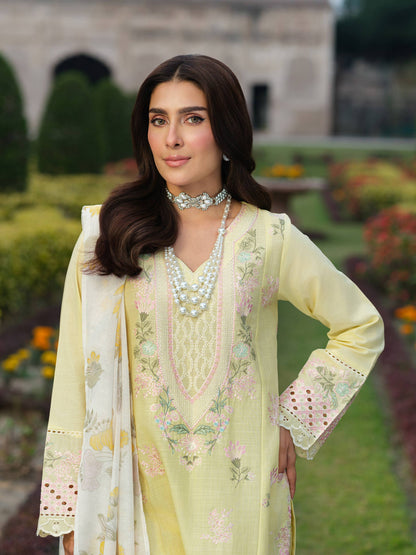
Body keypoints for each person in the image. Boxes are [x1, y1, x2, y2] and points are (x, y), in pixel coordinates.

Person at [37, 54, 384, 554]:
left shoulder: (268, 238)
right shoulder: (109, 236)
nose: (172, 138)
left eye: (193, 119)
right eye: (159, 120)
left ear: (226, 130)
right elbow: (75, 376)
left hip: (243, 496)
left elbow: (360, 326)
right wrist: (72, 513)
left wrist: (293, 418)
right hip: (133, 496)